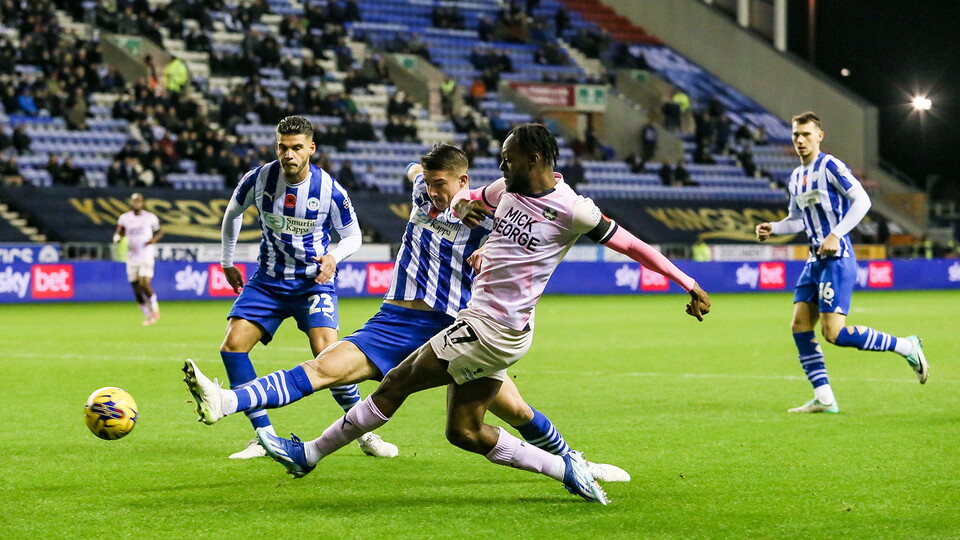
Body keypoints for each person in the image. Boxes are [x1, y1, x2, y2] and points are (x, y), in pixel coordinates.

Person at [252, 124, 710, 504]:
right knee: (465, 431)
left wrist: (687, 282)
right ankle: (567, 467)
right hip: (487, 325)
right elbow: (469, 203)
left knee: (396, 383)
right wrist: (471, 215)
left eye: (508, 158)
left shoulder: (574, 210)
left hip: (489, 329)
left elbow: (633, 245)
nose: (501, 165)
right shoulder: (503, 189)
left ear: (533, 159)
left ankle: (308, 453)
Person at [183, 143, 630, 483]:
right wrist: (420, 171)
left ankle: (576, 464)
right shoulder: (423, 189)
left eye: (443, 185)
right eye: (429, 183)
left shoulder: (493, 217)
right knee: (325, 367)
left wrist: (490, 249)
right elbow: (415, 170)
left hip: (456, 329)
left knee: (513, 410)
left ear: (464, 181)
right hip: (394, 321)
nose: (434, 192)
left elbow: (537, 234)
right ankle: (225, 402)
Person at [208, 115, 397, 459]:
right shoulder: (258, 179)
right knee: (232, 347)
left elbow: (352, 235)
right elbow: (232, 214)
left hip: (312, 283)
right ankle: (264, 436)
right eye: (282, 147)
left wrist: (334, 257)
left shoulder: (329, 190)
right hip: (267, 281)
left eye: (296, 148)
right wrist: (226, 261)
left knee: (329, 355)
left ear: (311, 149)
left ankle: (364, 434)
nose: (288, 155)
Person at [755, 111, 928, 414]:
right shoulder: (796, 177)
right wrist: (775, 228)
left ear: (819, 136)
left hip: (837, 257)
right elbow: (797, 220)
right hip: (814, 260)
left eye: (806, 134)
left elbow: (863, 200)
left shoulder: (830, 166)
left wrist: (836, 234)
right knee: (799, 325)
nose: (800, 140)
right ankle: (824, 398)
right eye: (796, 135)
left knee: (833, 333)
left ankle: (906, 346)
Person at [114, 193, 163, 325]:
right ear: (130, 203)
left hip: (146, 254)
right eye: (134, 201)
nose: (136, 204)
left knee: (144, 283)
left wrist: (154, 240)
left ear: (143, 203)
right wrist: (117, 238)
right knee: (135, 287)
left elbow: (159, 231)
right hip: (131, 256)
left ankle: (155, 308)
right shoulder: (124, 218)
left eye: (139, 201)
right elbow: (120, 232)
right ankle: (148, 315)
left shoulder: (150, 218)